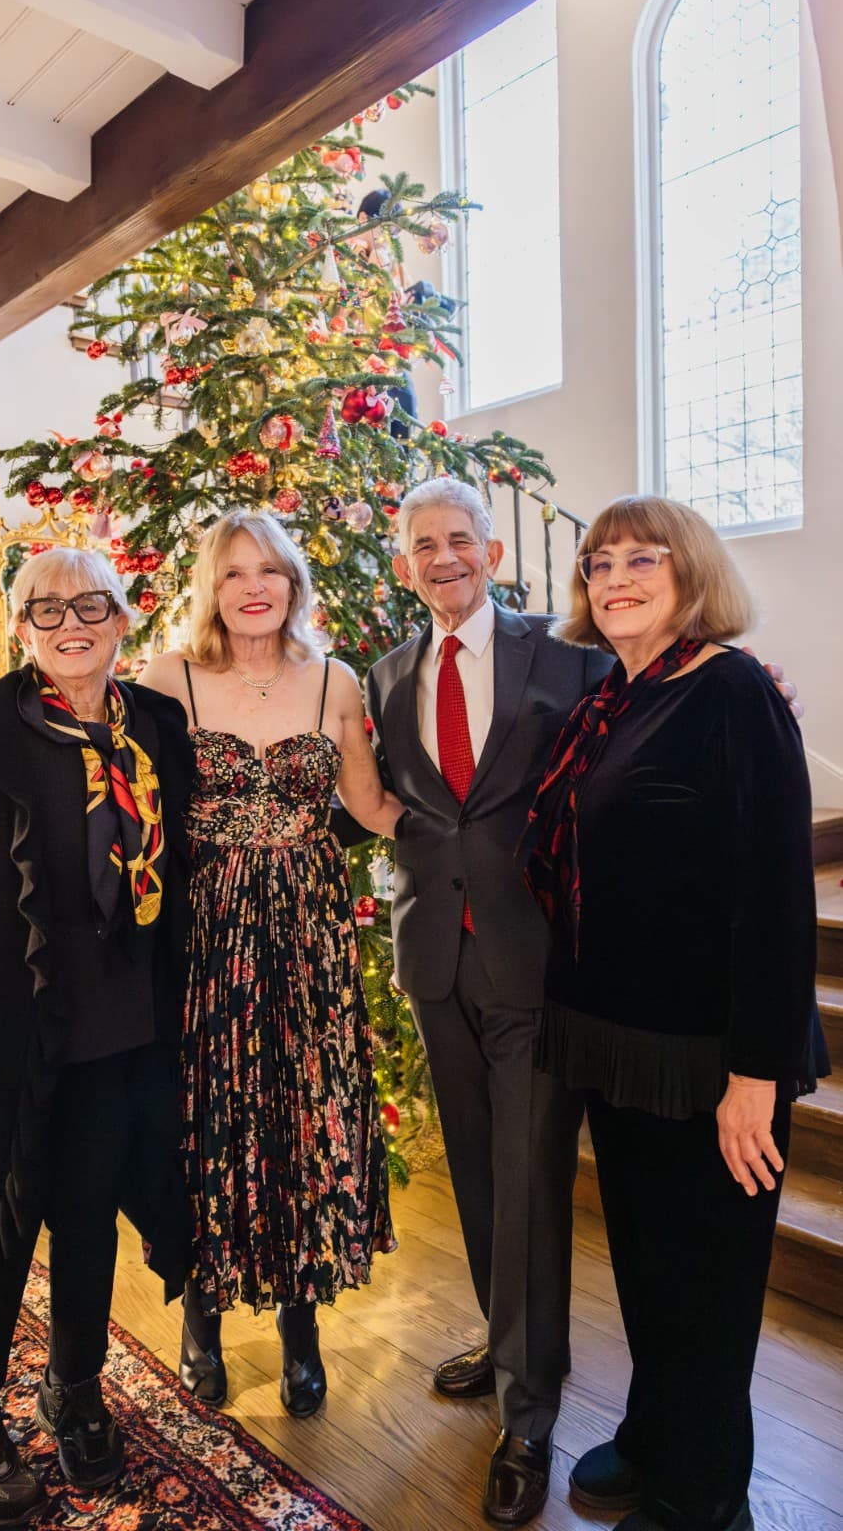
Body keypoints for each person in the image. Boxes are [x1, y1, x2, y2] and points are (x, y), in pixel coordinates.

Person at [521, 496, 823, 1531]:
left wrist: (755, 1073)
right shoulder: (612, 699)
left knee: (708, 1281)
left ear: (688, 571)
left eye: (638, 559)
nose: (612, 579)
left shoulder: (733, 692)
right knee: (647, 1262)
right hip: (617, 1042)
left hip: (710, 1053)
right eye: (595, 563)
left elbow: (778, 895)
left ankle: (703, 1493)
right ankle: (654, 1433)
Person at [0, 546, 194, 1525]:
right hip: (10, 1022)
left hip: (124, 1021)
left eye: (88, 604)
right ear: (20, 628)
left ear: (121, 616)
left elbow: (190, 861)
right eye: (44, 609)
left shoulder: (156, 723)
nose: (69, 623)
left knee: (90, 1215)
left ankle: (74, 1386)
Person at [361, 475, 608, 1527]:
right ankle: (508, 1333)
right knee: (471, 1165)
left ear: (492, 552)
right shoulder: (380, 675)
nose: (442, 557)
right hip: (433, 957)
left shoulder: (570, 661)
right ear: (403, 562)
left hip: (533, 956)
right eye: (423, 544)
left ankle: (527, 1410)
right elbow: (392, 805)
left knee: (528, 1175)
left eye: (459, 539)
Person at [139, 507, 403, 1418]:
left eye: (269, 571)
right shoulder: (168, 679)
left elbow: (369, 804)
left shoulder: (333, 680)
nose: (253, 587)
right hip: (205, 933)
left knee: (300, 1117)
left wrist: (494, 816)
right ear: (211, 589)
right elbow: (127, 810)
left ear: (293, 583)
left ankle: (300, 1329)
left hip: (306, 934)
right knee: (208, 1114)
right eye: (232, 572)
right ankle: (200, 1320)